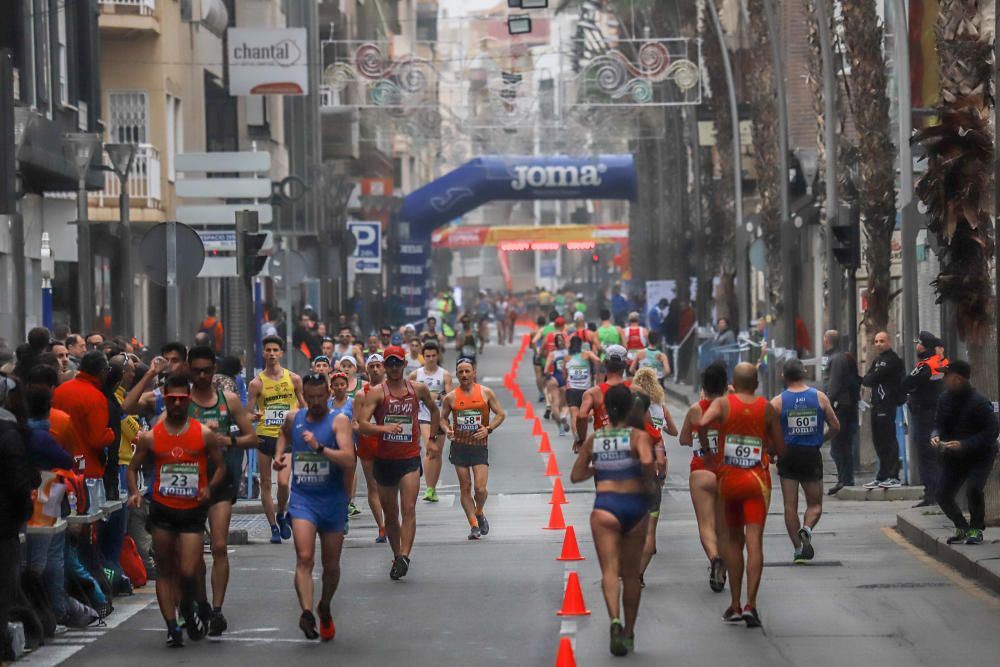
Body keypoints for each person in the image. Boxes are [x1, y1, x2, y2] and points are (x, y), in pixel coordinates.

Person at [127, 374, 226, 647]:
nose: (178, 403)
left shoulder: (203, 434)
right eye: (173, 399)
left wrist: (210, 487)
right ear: (165, 399)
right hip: (162, 510)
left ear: (189, 400)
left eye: (183, 399)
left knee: (188, 569)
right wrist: (135, 492)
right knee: (165, 570)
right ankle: (172, 626)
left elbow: (220, 466)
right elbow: (132, 468)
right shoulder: (151, 437)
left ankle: (189, 606)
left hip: (192, 511)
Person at [570, 384, 655, 657]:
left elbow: (576, 475)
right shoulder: (638, 436)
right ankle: (629, 632)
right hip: (635, 507)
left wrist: (603, 465)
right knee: (630, 575)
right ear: (631, 408)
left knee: (609, 570)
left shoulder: (596, 438)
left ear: (606, 408)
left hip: (605, 508)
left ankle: (614, 620)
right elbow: (646, 464)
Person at [700, 363, 785, 628]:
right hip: (757, 483)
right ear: (757, 383)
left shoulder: (723, 404)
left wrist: (711, 456)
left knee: (733, 542)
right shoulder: (766, 408)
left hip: (729, 481)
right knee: (754, 542)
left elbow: (701, 424)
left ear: (733, 384)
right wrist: (768, 449)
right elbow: (780, 447)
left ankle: (734, 605)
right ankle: (751, 605)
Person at [273, 373, 355, 640]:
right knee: (304, 557)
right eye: (311, 397)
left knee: (331, 565)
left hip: (332, 500)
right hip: (303, 499)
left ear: (329, 393)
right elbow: (282, 435)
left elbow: (348, 460)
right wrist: (279, 456)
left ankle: (325, 605)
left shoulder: (338, 421)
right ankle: (307, 612)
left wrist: (319, 448)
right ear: (304, 395)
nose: (316, 401)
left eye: (321, 396)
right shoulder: (294, 418)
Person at [186, 346, 257, 635]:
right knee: (191, 558)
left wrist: (229, 441)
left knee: (218, 546)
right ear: (190, 371)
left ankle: (216, 609)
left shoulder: (228, 401)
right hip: (189, 483)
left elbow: (252, 437)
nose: (202, 376)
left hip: (221, 481)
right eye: (197, 371)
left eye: (207, 370)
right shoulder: (181, 402)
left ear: (214, 371)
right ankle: (201, 602)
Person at [355, 346, 440, 580]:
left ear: (404, 365)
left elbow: (434, 411)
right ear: (384, 365)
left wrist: (432, 439)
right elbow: (362, 425)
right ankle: (396, 555)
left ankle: (404, 555)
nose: (393, 368)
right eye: (389, 364)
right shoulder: (377, 393)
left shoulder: (418, 389)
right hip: (384, 461)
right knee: (391, 515)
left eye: (397, 363)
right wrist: (384, 428)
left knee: (409, 508)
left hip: (409, 458)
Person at [771, 359, 840, 563]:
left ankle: (798, 549)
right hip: (811, 452)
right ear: (804, 372)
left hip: (787, 455)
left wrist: (773, 450)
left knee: (789, 506)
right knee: (815, 504)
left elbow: (766, 431)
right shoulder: (819, 397)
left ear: (783, 376)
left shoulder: (777, 402)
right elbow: (835, 426)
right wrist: (820, 439)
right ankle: (807, 528)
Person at [932, 360, 999, 545]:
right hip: (954, 455)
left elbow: (992, 432)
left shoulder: (979, 402)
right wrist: (935, 435)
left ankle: (976, 529)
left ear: (959, 379)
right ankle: (961, 526)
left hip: (980, 455)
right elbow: (938, 424)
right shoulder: (944, 399)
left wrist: (964, 444)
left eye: (947, 375)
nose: (943, 379)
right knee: (942, 493)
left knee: (974, 489)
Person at [439, 357, 506, 539]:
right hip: (459, 446)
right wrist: (447, 430)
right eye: (460, 372)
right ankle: (474, 525)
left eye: (467, 371)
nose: (464, 375)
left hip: (479, 446)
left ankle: (479, 511)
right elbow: (443, 419)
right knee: (465, 487)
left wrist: (488, 429)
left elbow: (501, 414)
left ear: (474, 372)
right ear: (456, 375)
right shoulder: (451, 397)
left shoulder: (486, 393)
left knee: (480, 489)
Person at [247, 335, 305, 544]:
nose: (271, 354)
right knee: (265, 483)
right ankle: (273, 526)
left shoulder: (294, 379)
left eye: (275, 350)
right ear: (263, 353)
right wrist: (254, 416)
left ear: (281, 353)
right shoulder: (256, 383)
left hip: (287, 437)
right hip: (264, 437)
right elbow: (248, 413)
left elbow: (304, 406)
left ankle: (282, 513)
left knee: (282, 483)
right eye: (268, 350)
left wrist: (301, 417)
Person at [679, 361, 728, 592]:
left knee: (705, 525)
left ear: (703, 385)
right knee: (724, 527)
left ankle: (714, 558)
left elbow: (684, 439)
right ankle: (724, 568)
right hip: (728, 470)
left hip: (701, 470)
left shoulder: (696, 409)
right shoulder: (731, 408)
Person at [630, 367, 676, 586]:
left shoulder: (624, 428)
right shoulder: (660, 411)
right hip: (652, 474)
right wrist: (662, 474)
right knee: (650, 528)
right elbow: (671, 436)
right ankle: (639, 573)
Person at [902, 331, 949, 507]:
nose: (917, 346)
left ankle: (931, 494)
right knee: (937, 453)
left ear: (924, 346)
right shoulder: (942, 362)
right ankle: (937, 492)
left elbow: (907, 382)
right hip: (939, 413)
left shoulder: (926, 365)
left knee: (926, 453)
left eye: (918, 343)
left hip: (925, 415)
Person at [52, 351, 115, 477]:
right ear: (102, 372)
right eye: (108, 369)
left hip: (57, 466)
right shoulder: (96, 397)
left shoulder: (59, 390)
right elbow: (97, 440)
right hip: (86, 470)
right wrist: (111, 434)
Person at [861, 331, 905, 489]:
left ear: (889, 342)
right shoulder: (878, 360)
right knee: (878, 441)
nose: (878, 344)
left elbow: (873, 378)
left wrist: (873, 377)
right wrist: (872, 377)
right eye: (876, 341)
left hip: (887, 404)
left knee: (888, 439)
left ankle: (893, 476)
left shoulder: (893, 360)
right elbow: (867, 379)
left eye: (882, 341)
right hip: (876, 403)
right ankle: (882, 475)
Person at [411, 342, 452, 503]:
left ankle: (432, 488)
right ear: (423, 356)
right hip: (423, 415)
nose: (430, 359)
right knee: (430, 448)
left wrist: (439, 395)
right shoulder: (416, 374)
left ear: (438, 356)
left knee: (437, 452)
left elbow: (450, 396)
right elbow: (406, 392)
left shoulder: (444, 375)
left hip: (440, 416)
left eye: (433, 355)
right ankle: (428, 488)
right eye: (427, 356)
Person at [354, 355, 387, 542]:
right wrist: (366, 429)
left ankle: (390, 520)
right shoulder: (361, 394)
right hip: (368, 443)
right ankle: (381, 528)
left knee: (389, 486)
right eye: (372, 366)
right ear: (367, 370)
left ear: (384, 368)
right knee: (373, 486)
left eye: (378, 366)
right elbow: (355, 422)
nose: (375, 369)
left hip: (389, 442)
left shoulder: (392, 389)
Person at [821, 330, 860, 494]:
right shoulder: (836, 357)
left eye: (824, 338)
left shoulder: (837, 359)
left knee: (839, 446)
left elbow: (834, 385)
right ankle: (844, 479)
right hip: (842, 406)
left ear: (827, 340)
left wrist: (826, 404)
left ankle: (845, 479)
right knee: (841, 446)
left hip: (840, 408)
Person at [576, 344, 631, 452]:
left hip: (602, 447)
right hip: (629, 444)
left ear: (605, 364)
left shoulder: (593, 393)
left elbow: (582, 416)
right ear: (625, 365)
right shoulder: (635, 390)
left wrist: (581, 439)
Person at [564, 336, 601, 441]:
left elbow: (564, 374)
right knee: (586, 415)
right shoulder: (587, 354)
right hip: (585, 390)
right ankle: (582, 438)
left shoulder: (567, 357)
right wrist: (596, 374)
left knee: (574, 416)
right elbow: (598, 360)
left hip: (572, 390)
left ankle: (577, 437)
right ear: (580, 345)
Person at [544, 333, 571, 435]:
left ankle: (560, 427)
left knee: (555, 405)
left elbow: (546, 370)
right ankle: (563, 416)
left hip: (555, 377)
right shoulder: (568, 353)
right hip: (565, 379)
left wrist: (548, 377)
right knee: (565, 404)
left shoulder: (552, 354)